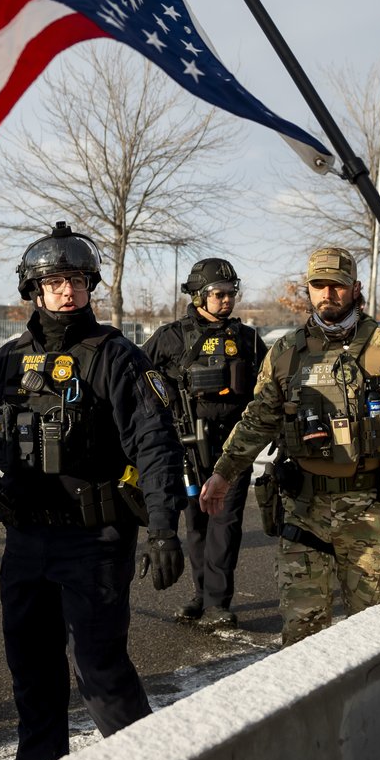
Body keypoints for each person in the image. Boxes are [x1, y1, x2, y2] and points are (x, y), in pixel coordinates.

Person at [0, 222, 186, 760]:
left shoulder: (117, 357)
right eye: (54, 282)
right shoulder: (6, 363)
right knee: (32, 672)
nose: (66, 292)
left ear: (90, 284)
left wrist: (166, 530)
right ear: (34, 289)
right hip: (25, 541)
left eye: (75, 280)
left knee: (100, 670)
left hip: (94, 541)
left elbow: (155, 446)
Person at [198, 247, 380, 646]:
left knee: (375, 639)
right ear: (308, 290)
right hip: (302, 513)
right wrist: (223, 473)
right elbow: (257, 420)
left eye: (336, 286)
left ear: (354, 289)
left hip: (366, 517)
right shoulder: (286, 353)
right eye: (319, 285)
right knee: (302, 638)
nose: (327, 294)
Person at [142, 258, 267, 630]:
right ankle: (200, 595)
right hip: (188, 444)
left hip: (233, 447)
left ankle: (218, 600)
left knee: (225, 522)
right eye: (219, 294)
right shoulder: (171, 337)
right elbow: (140, 376)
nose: (227, 300)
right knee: (195, 521)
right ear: (199, 295)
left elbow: (267, 389)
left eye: (231, 294)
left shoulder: (248, 339)